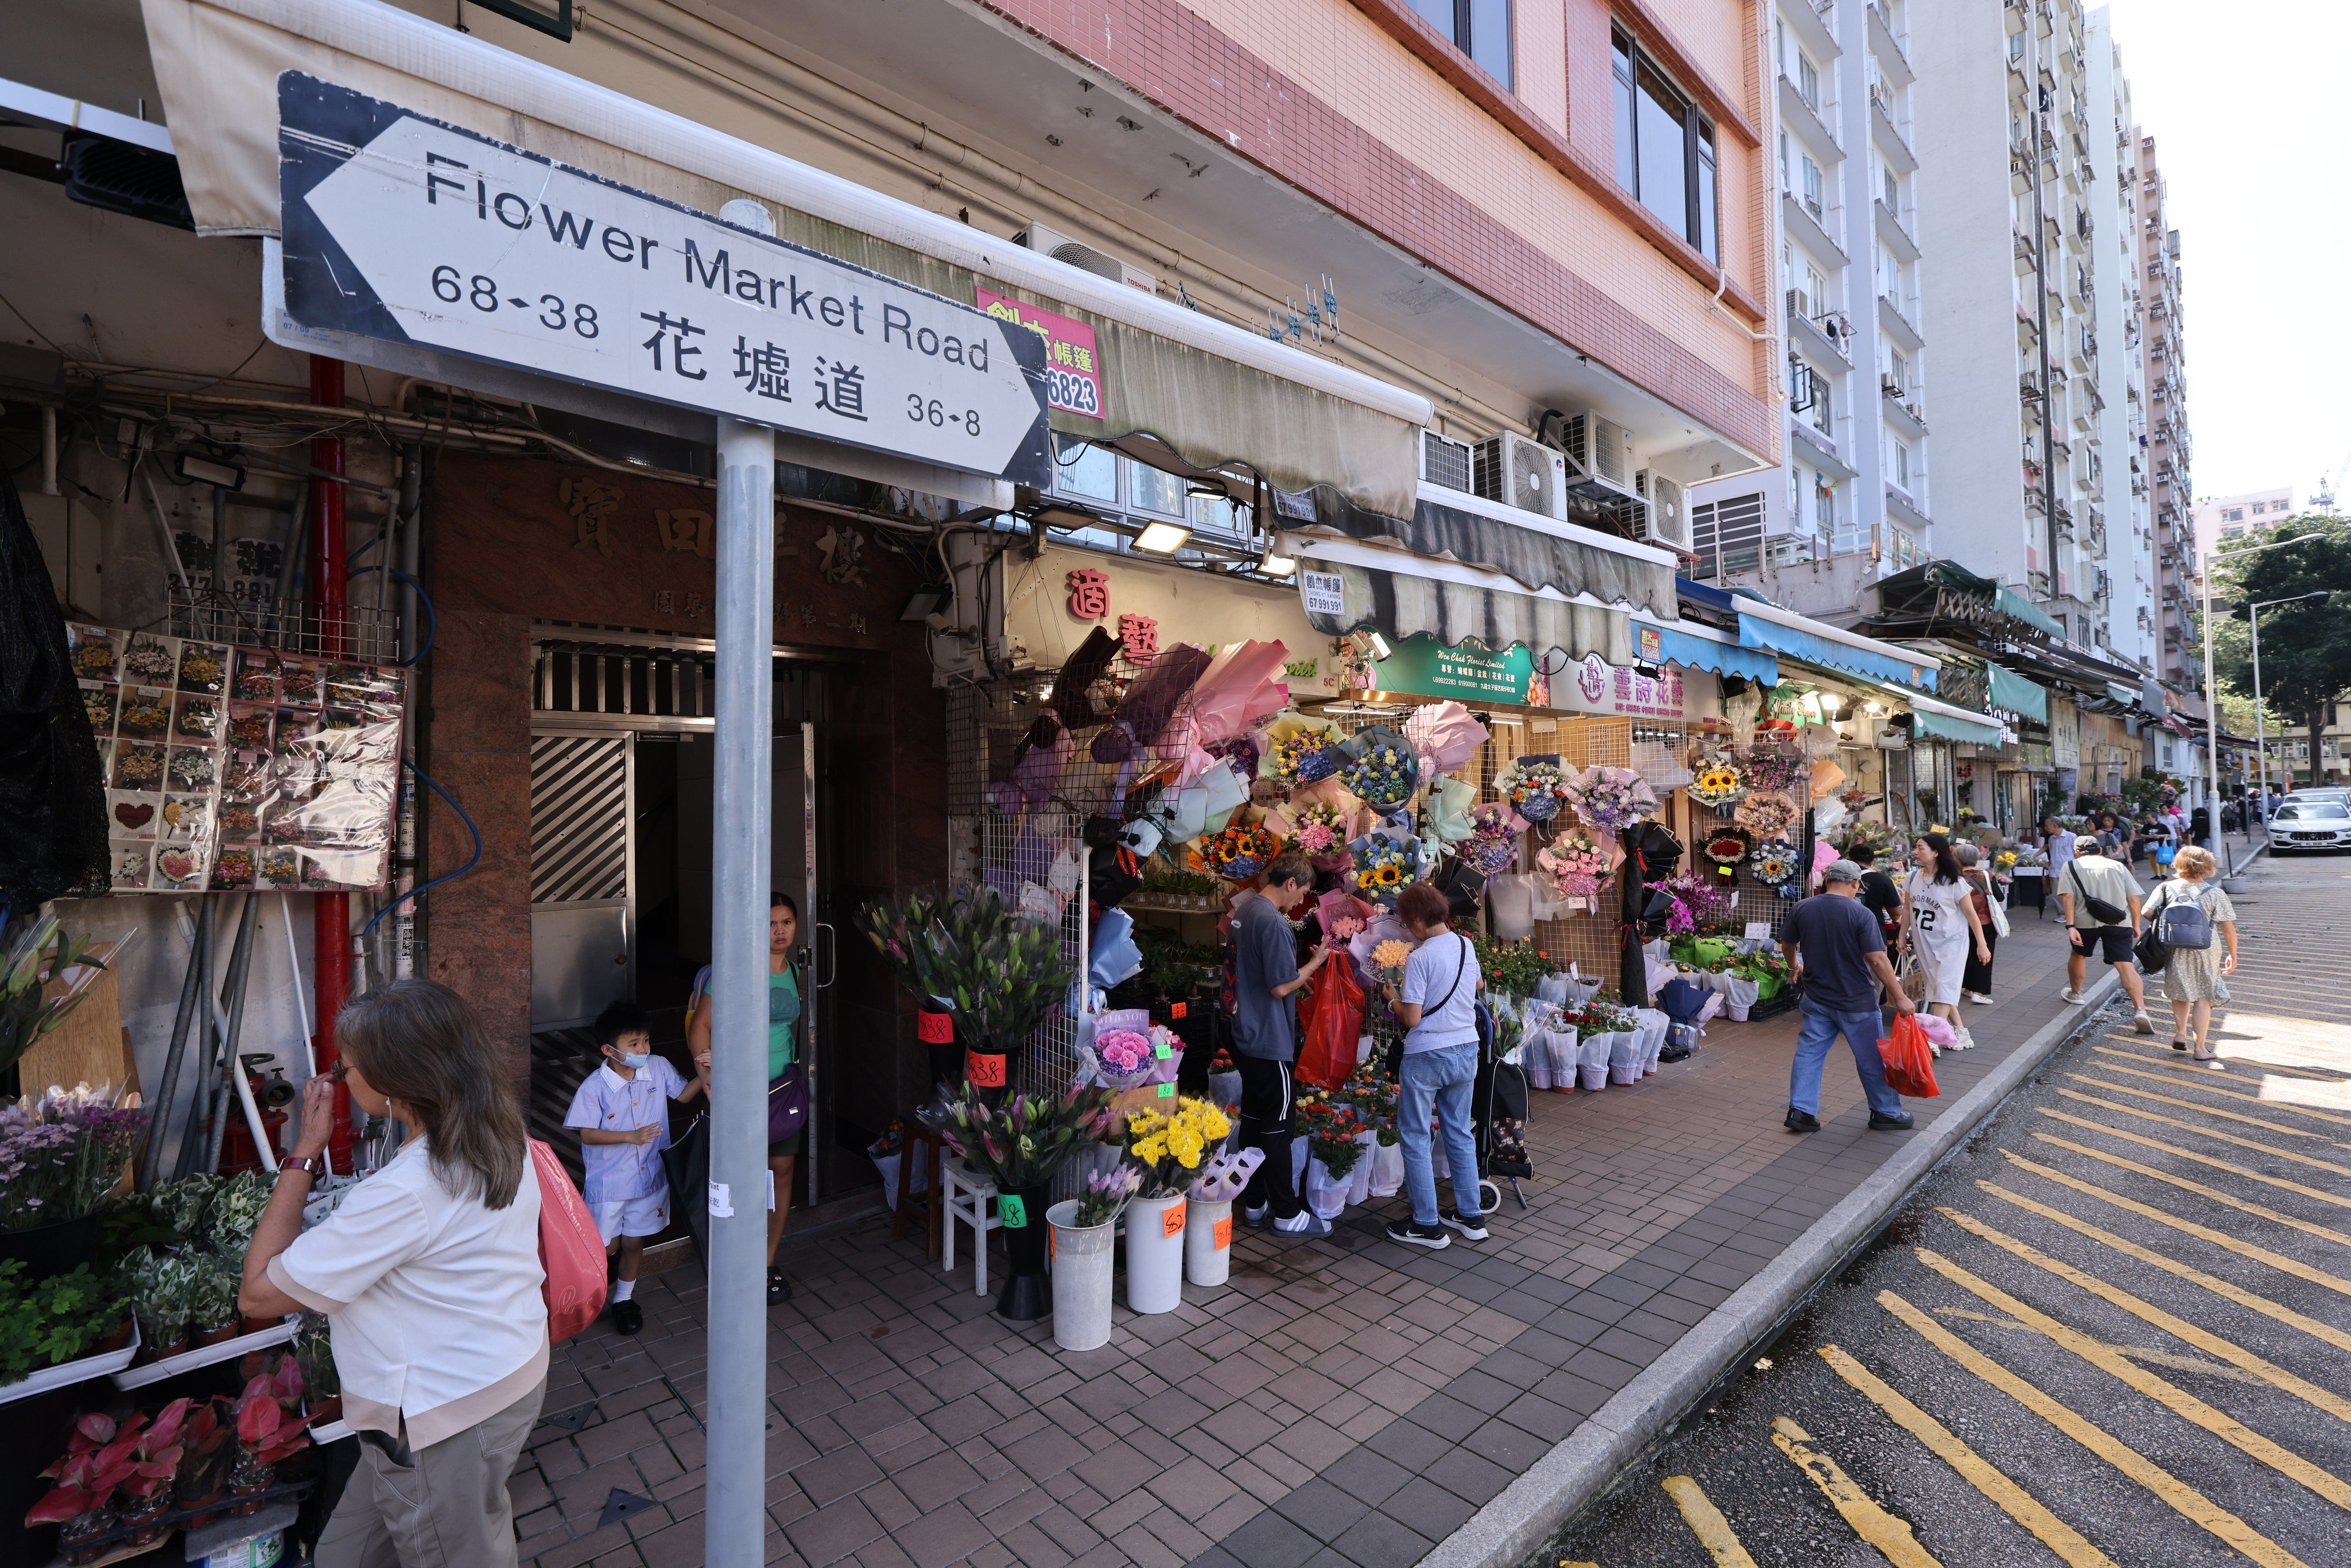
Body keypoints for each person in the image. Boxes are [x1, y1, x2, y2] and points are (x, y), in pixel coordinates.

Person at [237, 980, 545, 1568]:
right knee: (345, 1554)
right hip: (501, 1370)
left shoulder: (409, 1190)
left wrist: (305, 1150)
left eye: (346, 1066)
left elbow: (257, 1294)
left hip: (443, 1417)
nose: (339, 1078)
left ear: (396, 1081)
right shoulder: (499, 1131)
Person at [685, 894, 806, 1303]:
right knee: (737, 1180)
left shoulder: (792, 971)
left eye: (787, 922)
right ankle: (734, 1258)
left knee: (782, 1173)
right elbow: (701, 1026)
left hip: (779, 1091)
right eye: (771, 923)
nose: (779, 931)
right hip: (738, 1092)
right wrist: (706, 1076)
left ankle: (767, 1262)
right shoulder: (735, 970)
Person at [564, 1000, 705, 1334]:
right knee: (606, 1246)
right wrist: (631, 1136)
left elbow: (684, 1095)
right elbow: (586, 1134)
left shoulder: (657, 1067)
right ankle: (591, 1297)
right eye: (633, 1044)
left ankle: (624, 1300)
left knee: (634, 1242)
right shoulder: (594, 1087)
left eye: (645, 1041)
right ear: (609, 1050)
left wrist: (708, 1071)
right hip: (610, 1182)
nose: (643, 1049)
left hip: (650, 1177)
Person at [1227, 853, 1333, 1239]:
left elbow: (1259, 971)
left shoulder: (1247, 908)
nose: (1301, 901)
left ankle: (1254, 1203)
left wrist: (1294, 977)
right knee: (1279, 1127)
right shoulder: (1272, 921)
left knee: (1254, 1122)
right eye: (1303, 892)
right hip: (1269, 1039)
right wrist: (1314, 965)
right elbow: (1277, 987)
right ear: (1291, 883)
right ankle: (1287, 1212)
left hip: (1245, 1032)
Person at [1377, 882, 1485, 1250]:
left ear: (1420, 919)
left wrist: (1392, 1000)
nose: (1408, 930)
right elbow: (1478, 984)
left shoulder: (1420, 958)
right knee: (1459, 1132)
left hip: (1427, 1055)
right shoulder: (1465, 945)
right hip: (1467, 1048)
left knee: (1416, 1137)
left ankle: (1427, 1224)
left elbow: (1412, 1018)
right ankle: (1471, 1216)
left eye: (1408, 923)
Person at [1782, 860, 1919, 1134]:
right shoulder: (1861, 914)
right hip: (1856, 1000)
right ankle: (1886, 1112)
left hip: (1816, 997)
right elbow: (1878, 960)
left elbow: (1788, 944)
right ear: (1856, 884)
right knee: (1871, 1058)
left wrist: (1794, 967)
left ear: (1827, 881)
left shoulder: (1803, 907)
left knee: (1809, 1054)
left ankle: (1801, 1111)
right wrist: (1901, 997)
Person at [2147, 845, 2240, 1066]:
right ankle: (2200, 1048)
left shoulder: (2166, 888)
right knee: (2203, 995)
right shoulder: (2215, 893)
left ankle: (2180, 1033)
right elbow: (2228, 928)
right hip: (2206, 947)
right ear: (2206, 867)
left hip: (2174, 945)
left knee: (2180, 991)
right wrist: (2233, 954)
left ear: (2179, 864)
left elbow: (2147, 912)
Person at [1898, 833, 1992, 1051]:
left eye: (1921, 848)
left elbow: (1971, 915)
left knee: (1943, 989)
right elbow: (1907, 910)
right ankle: (1960, 1032)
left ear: (1936, 852)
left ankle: (1931, 1039)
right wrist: (1902, 936)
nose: (1916, 852)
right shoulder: (1912, 878)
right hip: (1925, 943)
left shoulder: (1955, 881)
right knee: (1941, 990)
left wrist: (1982, 944)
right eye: (1916, 848)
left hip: (1952, 943)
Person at [2058, 838, 2154, 1031]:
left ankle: (2076, 993)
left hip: (2084, 923)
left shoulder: (2070, 867)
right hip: (2118, 921)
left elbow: (2068, 897)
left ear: (2076, 851)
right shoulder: (2117, 866)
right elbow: (2133, 899)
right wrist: (2136, 924)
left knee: (2079, 955)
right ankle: (2141, 1010)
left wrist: (2070, 926)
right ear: (2100, 850)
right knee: (2125, 965)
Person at [1954, 842, 2000, 1007]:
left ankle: (1967, 987)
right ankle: (1978, 993)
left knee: (1966, 955)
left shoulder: (1955, 878)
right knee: (1984, 957)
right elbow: (1999, 899)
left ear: (1957, 859)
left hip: (1961, 923)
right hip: (1985, 923)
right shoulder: (1987, 876)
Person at [1849, 844, 1904, 951]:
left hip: (1842, 935)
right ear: (1872, 863)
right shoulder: (1882, 880)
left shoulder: (1836, 877)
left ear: (1849, 859)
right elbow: (1896, 915)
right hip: (1874, 936)